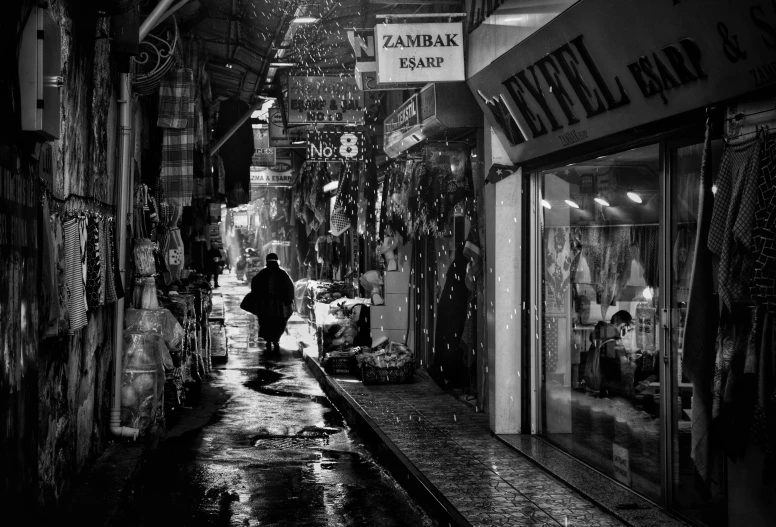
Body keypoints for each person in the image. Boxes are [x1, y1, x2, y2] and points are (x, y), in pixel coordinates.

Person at [251, 253, 295, 353]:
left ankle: (270, 340)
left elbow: (254, 285)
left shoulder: (263, 273)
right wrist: (288, 301)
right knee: (278, 323)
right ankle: (275, 340)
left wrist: (258, 298)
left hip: (266, 305)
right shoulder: (282, 273)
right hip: (279, 306)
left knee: (266, 322)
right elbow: (290, 287)